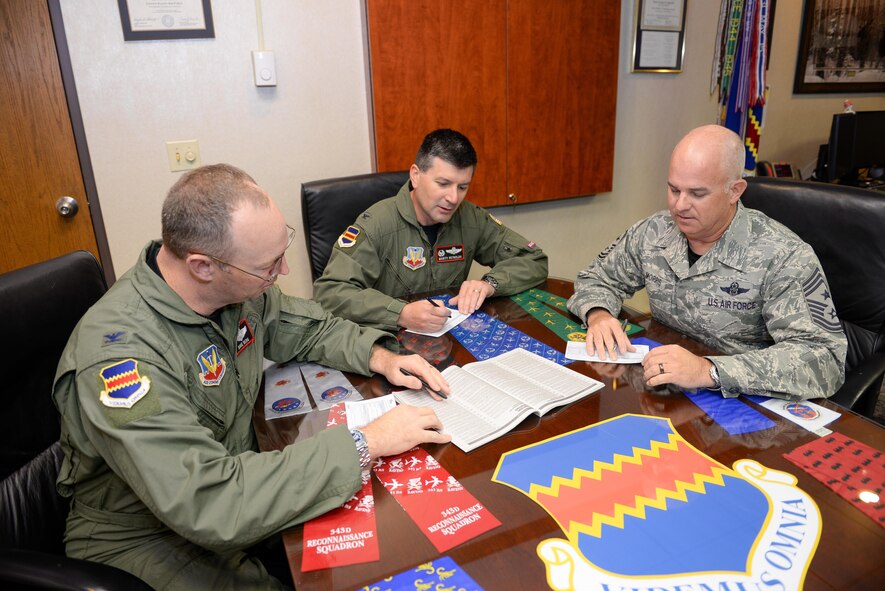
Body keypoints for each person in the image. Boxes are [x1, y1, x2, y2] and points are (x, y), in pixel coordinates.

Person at [52, 164, 452, 590]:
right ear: (203, 267)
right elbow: (210, 502)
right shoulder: (123, 361)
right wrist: (368, 441)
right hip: (145, 537)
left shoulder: (233, 291)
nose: (281, 272)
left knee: (385, 549)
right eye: (269, 264)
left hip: (242, 484)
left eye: (283, 252)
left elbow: (306, 326)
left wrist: (380, 356)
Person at [567, 125, 846, 400]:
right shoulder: (655, 231)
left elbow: (824, 360)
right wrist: (599, 314)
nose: (680, 205)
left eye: (697, 194)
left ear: (735, 191)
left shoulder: (784, 256)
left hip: (745, 403)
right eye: (674, 190)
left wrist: (709, 370)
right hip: (665, 388)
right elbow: (596, 278)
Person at [313, 129, 548, 332]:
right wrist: (400, 312)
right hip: (389, 343)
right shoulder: (376, 225)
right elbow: (330, 293)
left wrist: (489, 284)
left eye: (463, 187)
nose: (454, 198)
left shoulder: (470, 218)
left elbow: (533, 259)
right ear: (416, 175)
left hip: (450, 339)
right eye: (443, 184)